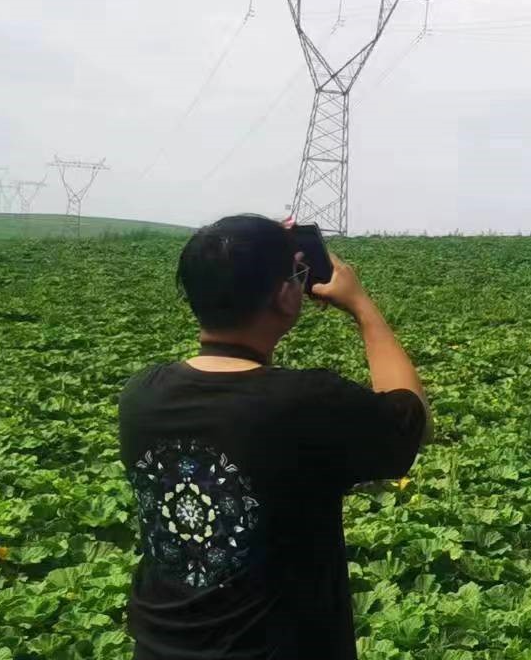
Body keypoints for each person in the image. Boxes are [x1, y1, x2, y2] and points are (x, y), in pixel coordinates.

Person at [116, 215, 430, 660]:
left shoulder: (141, 396)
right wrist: (363, 307)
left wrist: (250, 251)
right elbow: (412, 423)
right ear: (287, 295)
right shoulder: (306, 403)